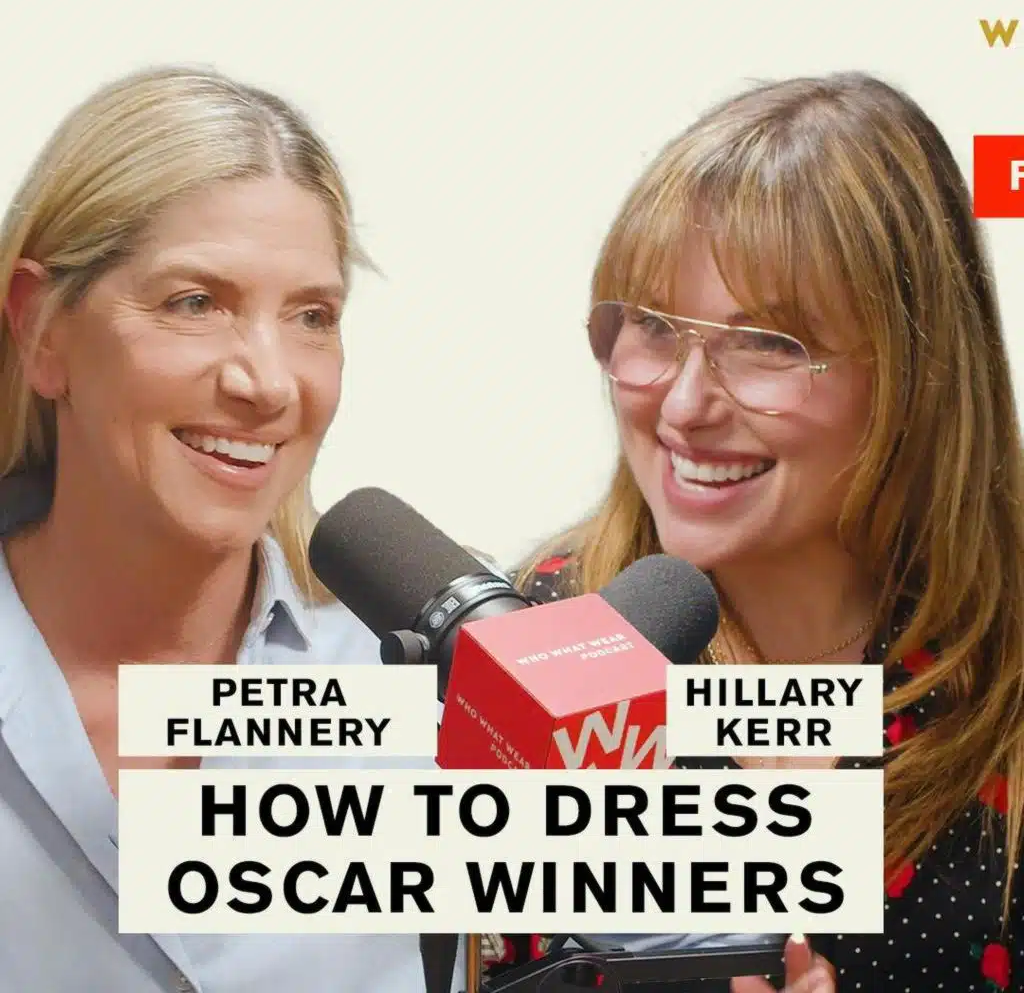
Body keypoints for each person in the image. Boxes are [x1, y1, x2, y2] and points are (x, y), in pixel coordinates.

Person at [513, 72, 1023, 992]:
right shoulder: (540, 630)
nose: (684, 405)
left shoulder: (1007, 671)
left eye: (767, 345)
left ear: (917, 375)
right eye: (653, 326)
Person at [0, 66, 459, 993]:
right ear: (42, 329)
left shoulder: (436, 675)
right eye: (195, 303)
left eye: (312, 317)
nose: (269, 382)